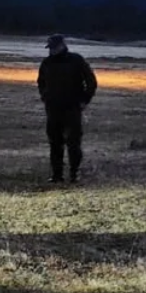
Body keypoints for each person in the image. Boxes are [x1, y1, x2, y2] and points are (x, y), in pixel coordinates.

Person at [37, 33, 97, 183]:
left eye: (54, 47)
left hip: (72, 107)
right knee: (55, 142)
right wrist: (45, 97)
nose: (51, 50)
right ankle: (57, 175)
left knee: (73, 142)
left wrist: (84, 100)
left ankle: (74, 173)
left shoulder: (76, 60)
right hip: (53, 108)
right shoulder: (47, 63)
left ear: (62, 46)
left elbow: (91, 81)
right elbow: (41, 82)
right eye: (50, 48)